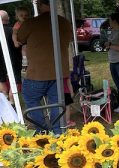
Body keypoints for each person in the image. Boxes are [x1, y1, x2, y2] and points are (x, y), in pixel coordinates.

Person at [17, 0, 73, 134]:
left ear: (41, 5)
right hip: (59, 73)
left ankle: (42, 130)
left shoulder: (30, 23)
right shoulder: (64, 22)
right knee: (57, 103)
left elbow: (19, 39)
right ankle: (58, 131)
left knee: (30, 99)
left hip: (37, 73)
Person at [0, 10, 22, 106]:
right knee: (16, 80)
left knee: (1, 79)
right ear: (7, 18)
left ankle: (5, 98)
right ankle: (12, 101)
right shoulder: (13, 31)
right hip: (14, 59)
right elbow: (19, 45)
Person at [12, 7, 29, 72]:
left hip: (31, 40)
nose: (24, 17)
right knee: (24, 50)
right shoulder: (17, 24)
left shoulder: (30, 22)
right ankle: (24, 65)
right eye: (21, 15)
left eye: (26, 15)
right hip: (24, 42)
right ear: (17, 16)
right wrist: (15, 41)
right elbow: (14, 34)